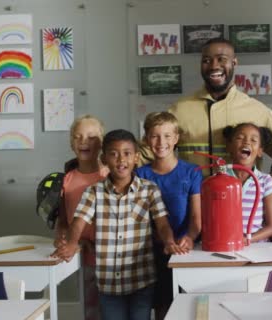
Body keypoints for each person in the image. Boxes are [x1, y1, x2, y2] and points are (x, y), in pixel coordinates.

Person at [51, 129, 188, 320]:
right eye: (113, 154)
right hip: (108, 283)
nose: (121, 160)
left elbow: (162, 223)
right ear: (104, 158)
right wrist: (72, 243)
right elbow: (79, 221)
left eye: (127, 153)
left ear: (136, 158)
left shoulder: (149, 190)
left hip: (142, 279)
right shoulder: (94, 192)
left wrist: (168, 241)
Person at [158, 38, 272, 174]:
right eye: (206, 60)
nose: (214, 66)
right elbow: (147, 153)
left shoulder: (259, 112)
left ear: (234, 62)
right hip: (192, 194)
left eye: (221, 59)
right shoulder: (179, 110)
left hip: (241, 194)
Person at [135, 112, 202, 320]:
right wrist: (159, 240)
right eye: (154, 136)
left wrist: (190, 237)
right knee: (162, 304)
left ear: (176, 138)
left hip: (185, 249)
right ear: (146, 139)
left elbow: (196, 219)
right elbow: (139, 218)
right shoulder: (140, 175)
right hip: (152, 251)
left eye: (166, 135)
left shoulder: (192, 172)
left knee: (187, 304)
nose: (161, 142)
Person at [54, 115, 108, 320]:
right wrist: (62, 238)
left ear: (102, 142)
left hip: (111, 257)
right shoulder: (66, 180)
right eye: (78, 137)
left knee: (113, 310)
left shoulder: (109, 176)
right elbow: (63, 220)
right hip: (83, 258)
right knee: (91, 309)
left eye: (92, 137)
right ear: (71, 143)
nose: (84, 141)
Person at [222, 123, 272, 243]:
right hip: (226, 244)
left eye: (253, 140)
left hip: (257, 247)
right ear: (229, 146)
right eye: (240, 138)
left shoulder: (265, 181)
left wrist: (247, 239)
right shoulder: (218, 180)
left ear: (260, 151)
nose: (247, 142)